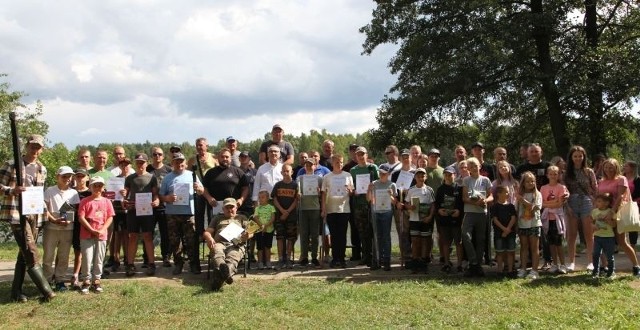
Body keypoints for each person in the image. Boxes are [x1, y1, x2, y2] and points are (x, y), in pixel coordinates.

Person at [1, 134, 56, 302]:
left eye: (38, 147)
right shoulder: (11, 165)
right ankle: (46, 291)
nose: (35, 149)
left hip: (34, 213)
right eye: (32, 145)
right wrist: (12, 190)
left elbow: (39, 194)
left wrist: (47, 214)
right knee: (31, 250)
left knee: (23, 253)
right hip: (17, 213)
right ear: (27, 146)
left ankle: (16, 293)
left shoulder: (42, 168)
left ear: (42, 149)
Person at [159, 152, 204, 275]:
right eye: (176, 161)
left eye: (181, 161)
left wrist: (199, 189)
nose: (179, 164)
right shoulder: (167, 178)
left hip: (189, 213)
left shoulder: (192, 175)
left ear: (185, 162)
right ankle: (178, 264)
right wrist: (167, 198)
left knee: (192, 240)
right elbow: (161, 195)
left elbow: (202, 191)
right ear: (172, 163)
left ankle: (194, 264)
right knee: (175, 241)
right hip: (172, 214)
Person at [598, 158, 640, 276]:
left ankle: (636, 266)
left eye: (611, 167)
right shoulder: (601, 181)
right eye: (606, 167)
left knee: (622, 241)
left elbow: (621, 196)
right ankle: (605, 267)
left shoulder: (622, 179)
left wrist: (611, 212)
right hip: (603, 214)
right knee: (604, 241)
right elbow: (599, 197)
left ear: (616, 167)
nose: (608, 169)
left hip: (617, 213)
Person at [43, 166, 80, 291]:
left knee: (64, 256)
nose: (67, 179)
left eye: (69, 176)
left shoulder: (74, 193)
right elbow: (44, 209)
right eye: (64, 176)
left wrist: (69, 220)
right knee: (48, 256)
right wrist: (53, 220)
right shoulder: (49, 190)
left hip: (67, 229)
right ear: (57, 177)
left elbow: (74, 209)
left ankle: (60, 281)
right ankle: (47, 281)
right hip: (51, 228)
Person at [122, 153, 160, 277]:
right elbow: (125, 195)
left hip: (147, 212)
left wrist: (156, 201)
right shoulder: (130, 178)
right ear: (135, 163)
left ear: (146, 163)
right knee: (132, 237)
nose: (140, 164)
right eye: (138, 162)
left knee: (148, 236)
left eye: (142, 162)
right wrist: (124, 201)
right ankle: (130, 264)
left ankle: (151, 264)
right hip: (133, 211)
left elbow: (155, 195)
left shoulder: (151, 177)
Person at [203, 198, 253, 291]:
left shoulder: (242, 218)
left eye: (232, 207)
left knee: (233, 256)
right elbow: (207, 232)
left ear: (236, 208)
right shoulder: (217, 218)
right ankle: (226, 273)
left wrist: (247, 235)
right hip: (219, 242)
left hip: (236, 244)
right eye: (227, 207)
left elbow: (251, 232)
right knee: (217, 252)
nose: (230, 209)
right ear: (223, 209)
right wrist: (209, 238)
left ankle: (219, 278)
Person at [77, 176, 115, 294]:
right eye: (95, 185)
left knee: (99, 258)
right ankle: (86, 280)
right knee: (87, 258)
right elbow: (81, 217)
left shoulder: (107, 201)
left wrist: (103, 229)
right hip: (87, 234)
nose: (97, 188)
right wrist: (91, 230)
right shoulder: (85, 201)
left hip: (101, 234)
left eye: (100, 185)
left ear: (103, 188)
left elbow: (110, 217)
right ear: (90, 187)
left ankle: (96, 280)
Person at [564, 146, 597, 272]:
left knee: (589, 234)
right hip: (571, 202)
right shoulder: (566, 173)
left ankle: (590, 262)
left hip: (587, 202)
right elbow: (563, 191)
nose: (578, 158)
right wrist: (567, 207)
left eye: (580, 156)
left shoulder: (589, 171)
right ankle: (571, 262)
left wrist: (594, 204)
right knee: (571, 235)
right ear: (571, 157)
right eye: (575, 156)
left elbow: (595, 188)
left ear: (584, 157)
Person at [461, 157, 493, 277]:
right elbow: (464, 198)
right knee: (465, 235)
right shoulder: (466, 180)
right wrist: (475, 203)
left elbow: (491, 196)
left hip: (482, 213)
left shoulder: (486, 180)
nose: (474, 167)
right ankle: (473, 261)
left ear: (480, 166)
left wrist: (485, 200)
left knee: (481, 239)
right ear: (468, 168)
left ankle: (477, 266)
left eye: (476, 165)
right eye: (471, 166)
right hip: (469, 212)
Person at [321, 154, 354, 268]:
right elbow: (323, 193)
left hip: (344, 209)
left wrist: (350, 191)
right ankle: (335, 258)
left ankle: (342, 258)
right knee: (334, 235)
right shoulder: (327, 177)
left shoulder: (348, 175)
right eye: (336, 162)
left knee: (342, 235)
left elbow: (351, 191)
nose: (339, 164)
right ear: (332, 163)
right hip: (331, 209)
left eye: (341, 162)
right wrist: (323, 208)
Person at [350, 146, 379, 267]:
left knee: (373, 231)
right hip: (358, 204)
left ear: (366, 155)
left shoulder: (373, 168)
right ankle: (365, 256)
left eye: (363, 154)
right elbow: (351, 187)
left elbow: (378, 184)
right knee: (362, 231)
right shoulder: (353, 170)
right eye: (358, 155)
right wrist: (353, 191)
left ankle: (374, 257)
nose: (361, 156)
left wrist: (373, 187)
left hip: (371, 203)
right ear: (356, 157)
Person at [404, 168, 435, 273]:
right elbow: (406, 203)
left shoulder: (429, 190)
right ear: (415, 177)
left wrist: (430, 217)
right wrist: (409, 207)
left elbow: (432, 205)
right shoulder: (411, 190)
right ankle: (415, 261)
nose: (421, 178)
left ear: (425, 177)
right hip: (414, 219)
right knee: (415, 241)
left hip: (425, 220)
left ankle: (423, 262)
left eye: (423, 176)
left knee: (425, 241)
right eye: (418, 176)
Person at [202, 148, 250, 216]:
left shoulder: (238, 172)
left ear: (230, 158)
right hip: (216, 209)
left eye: (227, 157)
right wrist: (209, 198)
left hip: (234, 210)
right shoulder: (210, 173)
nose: (224, 159)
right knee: (215, 226)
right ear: (218, 158)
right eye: (222, 156)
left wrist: (241, 200)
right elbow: (204, 188)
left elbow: (246, 188)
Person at [367, 164, 397, 271]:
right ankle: (376, 260)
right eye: (380, 173)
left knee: (386, 237)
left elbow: (395, 202)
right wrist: (369, 190)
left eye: (384, 173)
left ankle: (387, 261)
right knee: (376, 236)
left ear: (388, 174)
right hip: (376, 212)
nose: (381, 175)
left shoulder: (392, 185)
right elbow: (369, 199)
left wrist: (391, 195)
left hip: (387, 212)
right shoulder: (374, 183)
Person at [434, 166, 464, 273]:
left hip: (456, 220)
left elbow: (462, 204)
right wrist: (439, 211)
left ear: (454, 175)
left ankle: (459, 264)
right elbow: (436, 204)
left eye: (450, 174)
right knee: (445, 243)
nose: (448, 176)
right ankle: (446, 263)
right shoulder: (440, 189)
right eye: (446, 174)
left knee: (458, 242)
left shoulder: (459, 188)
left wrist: (459, 211)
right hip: (444, 220)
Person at [540, 165, 569, 274]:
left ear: (559, 175)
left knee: (559, 243)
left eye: (555, 174)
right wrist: (554, 203)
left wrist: (550, 204)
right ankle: (554, 264)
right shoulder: (543, 188)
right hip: (547, 219)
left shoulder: (561, 187)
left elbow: (560, 203)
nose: (553, 176)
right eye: (551, 174)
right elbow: (542, 204)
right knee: (550, 243)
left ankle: (563, 264)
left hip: (557, 219)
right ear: (547, 175)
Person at [146, 146, 172, 268]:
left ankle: (166, 257)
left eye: (160, 154)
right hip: (148, 206)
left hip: (165, 206)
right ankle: (147, 258)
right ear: (152, 156)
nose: (157, 156)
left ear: (163, 156)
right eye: (155, 154)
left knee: (165, 233)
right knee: (148, 233)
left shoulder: (169, 170)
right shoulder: (147, 169)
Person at [271, 164, 300, 269]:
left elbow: (297, 200)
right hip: (279, 216)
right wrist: (282, 211)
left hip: (291, 216)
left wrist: (287, 212)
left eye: (287, 171)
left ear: (292, 172)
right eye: (283, 171)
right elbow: (274, 199)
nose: (285, 173)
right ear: (281, 172)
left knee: (291, 238)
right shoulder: (278, 185)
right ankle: (280, 259)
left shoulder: (295, 185)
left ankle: (288, 258)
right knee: (280, 238)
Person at [516, 172, 543, 279]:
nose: (530, 183)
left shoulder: (537, 194)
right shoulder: (520, 195)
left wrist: (524, 201)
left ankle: (535, 270)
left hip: (534, 224)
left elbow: (536, 207)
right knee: (523, 247)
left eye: (532, 181)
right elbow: (517, 209)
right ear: (523, 183)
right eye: (527, 181)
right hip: (522, 224)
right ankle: (523, 269)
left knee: (534, 247)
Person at [297, 158, 323, 267]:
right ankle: (304, 257)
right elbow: (298, 191)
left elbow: (322, 195)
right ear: (304, 166)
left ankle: (314, 257)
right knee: (304, 234)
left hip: (315, 209)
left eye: (311, 165)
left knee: (315, 234)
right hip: (303, 208)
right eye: (307, 164)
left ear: (315, 166)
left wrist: (319, 193)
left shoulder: (319, 179)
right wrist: (298, 194)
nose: (309, 166)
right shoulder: (300, 178)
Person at [391, 148, 415, 265]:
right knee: (402, 233)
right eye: (403, 157)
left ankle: (416, 256)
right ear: (400, 159)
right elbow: (392, 193)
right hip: (400, 207)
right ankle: (406, 257)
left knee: (414, 232)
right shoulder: (395, 174)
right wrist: (396, 203)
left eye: (407, 157)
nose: (406, 159)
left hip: (412, 207)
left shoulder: (416, 173)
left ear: (411, 158)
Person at [71, 168, 92, 289]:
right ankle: (58, 275)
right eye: (77, 176)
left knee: (80, 251)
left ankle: (78, 275)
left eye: (82, 176)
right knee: (64, 251)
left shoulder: (91, 193)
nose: (80, 179)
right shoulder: (70, 191)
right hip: (69, 224)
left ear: (87, 178)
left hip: (84, 225)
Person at [490, 186, 517, 277]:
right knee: (500, 253)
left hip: (510, 233)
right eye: (506, 192)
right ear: (499, 194)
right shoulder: (495, 206)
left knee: (510, 252)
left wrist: (508, 229)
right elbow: (495, 220)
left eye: (508, 192)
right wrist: (504, 229)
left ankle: (510, 270)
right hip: (499, 233)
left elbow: (513, 218)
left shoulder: (511, 206)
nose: (508, 194)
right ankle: (499, 271)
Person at [590, 193, 617, 279]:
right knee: (596, 254)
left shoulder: (610, 212)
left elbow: (614, 224)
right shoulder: (594, 211)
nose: (596, 203)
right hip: (597, 237)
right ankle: (595, 272)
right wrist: (593, 226)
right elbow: (591, 222)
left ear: (606, 203)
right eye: (596, 201)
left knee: (609, 256)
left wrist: (610, 222)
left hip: (609, 237)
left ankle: (611, 272)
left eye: (599, 201)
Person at [253, 190, 276, 270]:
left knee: (267, 246)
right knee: (260, 247)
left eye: (262, 197)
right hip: (259, 230)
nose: (260, 199)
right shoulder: (257, 208)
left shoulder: (271, 207)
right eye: (259, 198)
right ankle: (260, 262)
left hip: (269, 230)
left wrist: (266, 226)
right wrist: (261, 225)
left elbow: (273, 218)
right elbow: (255, 217)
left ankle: (268, 262)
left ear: (267, 198)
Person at [623, 160, 640, 246]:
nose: (624, 167)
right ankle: (619, 244)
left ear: (632, 168)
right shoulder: (622, 177)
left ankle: (632, 244)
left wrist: (629, 198)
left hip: (634, 204)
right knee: (620, 223)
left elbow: (638, 192)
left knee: (632, 224)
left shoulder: (637, 179)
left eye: (626, 166)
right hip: (622, 203)